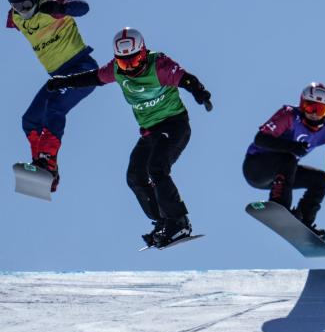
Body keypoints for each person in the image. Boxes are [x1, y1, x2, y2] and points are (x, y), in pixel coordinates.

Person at [46, 27, 212, 248]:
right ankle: (163, 222)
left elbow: (186, 79)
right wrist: (63, 81)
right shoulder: (116, 71)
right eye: (125, 64)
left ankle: (179, 221)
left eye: (134, 61)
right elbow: (93, 77)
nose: (131, 68)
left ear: (143, 52)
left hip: (174, 125)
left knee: (157, 167)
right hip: (150, 132)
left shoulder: (158, 65)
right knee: (135, 176)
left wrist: (200, 92)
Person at [6, 0, 98, 192]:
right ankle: (47, 170)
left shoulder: (48, 1)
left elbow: (83, 8)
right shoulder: (15, 17)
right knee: (30, 120)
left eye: (28, 4)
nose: (24, 11)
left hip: (82, 69)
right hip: (57, 78)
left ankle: (46, 161)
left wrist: (62, 8)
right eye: (18, 7)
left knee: (54, 107)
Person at [242, 83, 325, 238]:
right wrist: (291, 146)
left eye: (320, 109)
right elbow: (260, 139)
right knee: (289, 157)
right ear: (301, 104)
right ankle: (279, 204)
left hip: (281, 175)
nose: (314, 114)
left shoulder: (324, 134)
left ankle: (304, 222)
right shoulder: (289, 116)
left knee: (321, 180)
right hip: (256, 167)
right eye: (309, 107)